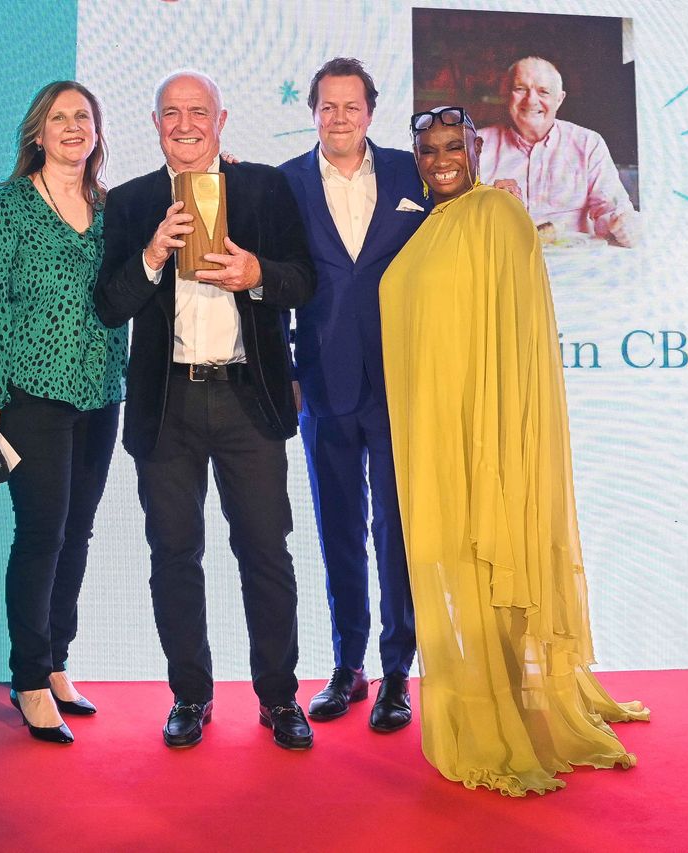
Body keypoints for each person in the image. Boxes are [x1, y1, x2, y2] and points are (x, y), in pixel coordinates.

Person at [379, 105, 649, 795]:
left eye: (453, 146)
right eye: (429, 149)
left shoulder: (498, 215)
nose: (441, 159)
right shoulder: (427, 227)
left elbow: (514, 334)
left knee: (489, 564)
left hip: (482, 432)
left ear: (475, 148)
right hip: (431, 435)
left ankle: (515, 711)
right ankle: (484, 696)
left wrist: (495, 434)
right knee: (452, 567)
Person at [93, 71, 317, 750]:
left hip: (249, 399)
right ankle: (189, 695)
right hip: (170, 406)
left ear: (222, 120)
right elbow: (109, 304)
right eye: (171, 113)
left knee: (265, 553)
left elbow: (304, 280)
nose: (184, 124)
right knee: (173, 554)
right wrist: (154, 254)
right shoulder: (130, 202)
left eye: (198, 112)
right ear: (155, 122)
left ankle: (280, 699)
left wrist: (258, 276)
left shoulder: (264, 187)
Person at [0, 80, 127, 744]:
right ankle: (28, 678)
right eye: (59, 117)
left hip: (100, 394)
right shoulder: (7, 211)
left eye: (83, 116)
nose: (72, 126)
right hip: (29, 397)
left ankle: (57, 661)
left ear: (97, 132)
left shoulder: (113, 212)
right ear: (37, 133)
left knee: (78, 533)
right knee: (41, 536)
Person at [278, 58, 425, 732]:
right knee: (338, 531)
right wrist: (286, 372)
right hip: (322, 383)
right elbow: (268, 284)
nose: (340, 118)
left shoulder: (409, 173)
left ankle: (399, 669)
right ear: (314, 112)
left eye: (351, 106)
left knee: (397, 532)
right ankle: (349, 666)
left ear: (371, 110)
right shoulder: (284, 185)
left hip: (400, 381)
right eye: (328, 107)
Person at [477, 57, 638, 247]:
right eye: (520, 89)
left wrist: (624, 225)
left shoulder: (588, 143)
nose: (531, 100)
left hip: (573, 264)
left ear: (559, 99)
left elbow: (611, 209)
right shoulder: (475, 145)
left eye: (543, 91)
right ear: (506, 94)